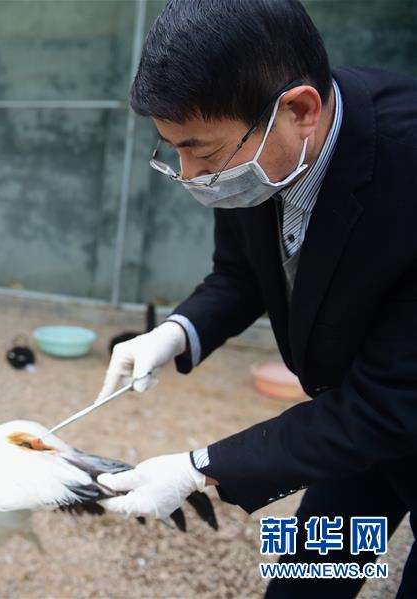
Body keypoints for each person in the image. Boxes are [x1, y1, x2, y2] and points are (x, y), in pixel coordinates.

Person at [94, 0, 416, 596]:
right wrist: (175, 332)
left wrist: (201, 468)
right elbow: (241, 274)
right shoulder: (265, 149)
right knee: (308, 580)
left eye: (205, 154)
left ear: (300, 110)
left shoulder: (406, 167)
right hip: (349, 424)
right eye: (175, 150)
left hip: (387, 408)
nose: (190, 175)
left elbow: (391, 401)